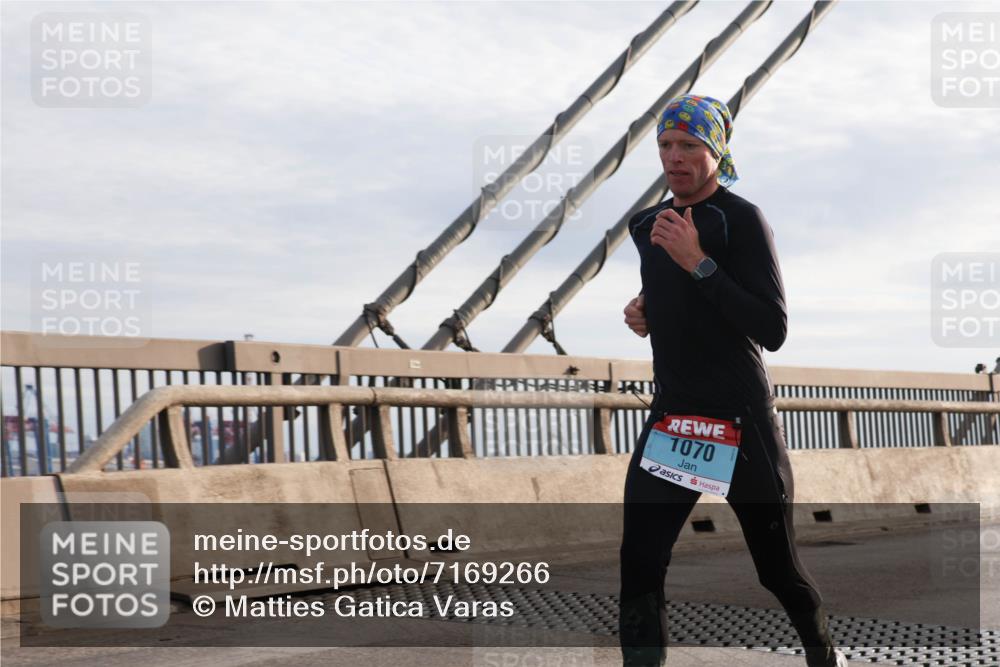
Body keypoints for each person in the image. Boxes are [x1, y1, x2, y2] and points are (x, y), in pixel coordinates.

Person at [617, 94, 848, 667]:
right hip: (674, 420)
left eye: (689, 145)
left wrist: (699, 263)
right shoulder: (645, 225)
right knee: (640, 565)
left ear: (715, 151)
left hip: (739, 423)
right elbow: (678, 300)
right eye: (666, 145)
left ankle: (824, 657)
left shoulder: (740, 219)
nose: (674, 157)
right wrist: (646, 310)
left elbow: (771, 327)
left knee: (778, 570)